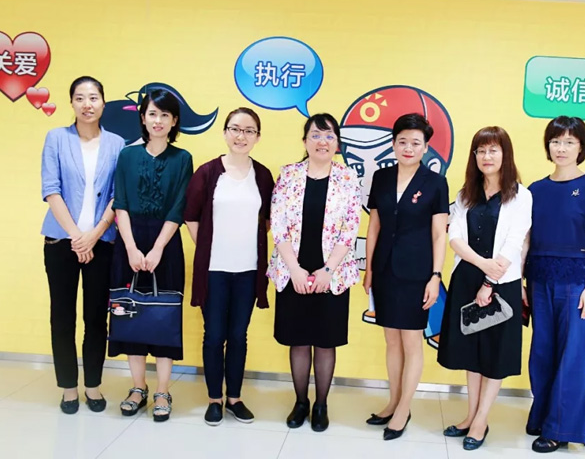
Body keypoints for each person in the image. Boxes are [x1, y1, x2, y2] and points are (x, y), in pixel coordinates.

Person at [437, 127, 532, 450]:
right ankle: (470, 415)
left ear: (505, 154)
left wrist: (490, 280)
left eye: (493, 150)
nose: (486, 156)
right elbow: (454, 237)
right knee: (471, 353)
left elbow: (515, 242)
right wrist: (482, 266)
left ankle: (481, 420)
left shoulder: (521, 195)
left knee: (495, 354)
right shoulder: (466, 194)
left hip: (502, 284)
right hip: (467, 278)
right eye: (481, 151)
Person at [268, 113, 361, 432]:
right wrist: (295, 270)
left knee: (324, 341)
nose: (323, 141)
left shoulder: (348, 178)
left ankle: (321, 404)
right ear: (305, 141)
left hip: (332, 275)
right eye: (316, 135)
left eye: (329, 135)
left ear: (338, 143)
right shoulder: (288, 175)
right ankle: (300, 402)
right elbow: (278, 224)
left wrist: (327, 270)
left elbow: (350, 230)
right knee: (297, 341)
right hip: (292, 270)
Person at [184, 107, 274, 426]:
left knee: (238, 335)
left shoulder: (262, 175)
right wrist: (209, 248)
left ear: (257, 137)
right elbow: (191, 217)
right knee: (213, 335)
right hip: (214, 271)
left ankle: (234, 397)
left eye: (249, 131)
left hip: (248, 271)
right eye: (235, 129)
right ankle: (214, 399)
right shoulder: (208, 173)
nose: (241, 136)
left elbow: (267, 220)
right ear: (225, 133)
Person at [41, 76, 125, 414]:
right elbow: (51, 189)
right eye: (80, 98)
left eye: (93, 97)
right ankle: (68, 388)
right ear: (72, 103)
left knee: (96, 318)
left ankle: (93, 385)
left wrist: (95, 233)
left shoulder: (117, 143)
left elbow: (119, 195)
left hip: (101, 242)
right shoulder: (56, 138)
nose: (87, 104)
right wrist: (78, 236)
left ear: (103, 102)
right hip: (61, 241)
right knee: (62, 317)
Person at [363, 113, 449, 440]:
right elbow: (374, 226)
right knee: (391, 339)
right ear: (393, 144)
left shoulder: (435, 183)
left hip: (417, 273)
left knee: (412, 341)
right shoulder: (381, 177)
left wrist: (436, 276)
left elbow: (439, 234)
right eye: (402, 142)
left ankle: (404, 409)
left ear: (426, 147)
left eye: (415, 142)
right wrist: (370, 269)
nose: (408, 148)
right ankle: (393, 400)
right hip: (384, 269)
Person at [525, 116, 585, 453]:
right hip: (539, 278)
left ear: (581, 147)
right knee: (542, 351)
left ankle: (561, 428)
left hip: (577, 281)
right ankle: (543, 415)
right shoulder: (535, 189)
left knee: (572, 354)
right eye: (556, 141)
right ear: (548, 145)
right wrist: (521, 281)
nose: (562, 148)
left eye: (570, 142)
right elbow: (526, 239)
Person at [110, 89, 193, 422]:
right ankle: (137, 387)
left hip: (166, 243)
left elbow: (178, 206)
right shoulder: (127, 156)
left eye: (165, 115)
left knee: (164, 316)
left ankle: (162, 391)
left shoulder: (182, 158)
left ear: (174, 121)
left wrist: (157, 248)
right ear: (143, 117)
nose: (158, 120)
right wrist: (131, 247)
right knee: (130, 313)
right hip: (129, 240)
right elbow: (120, 203)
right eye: (152, 114)